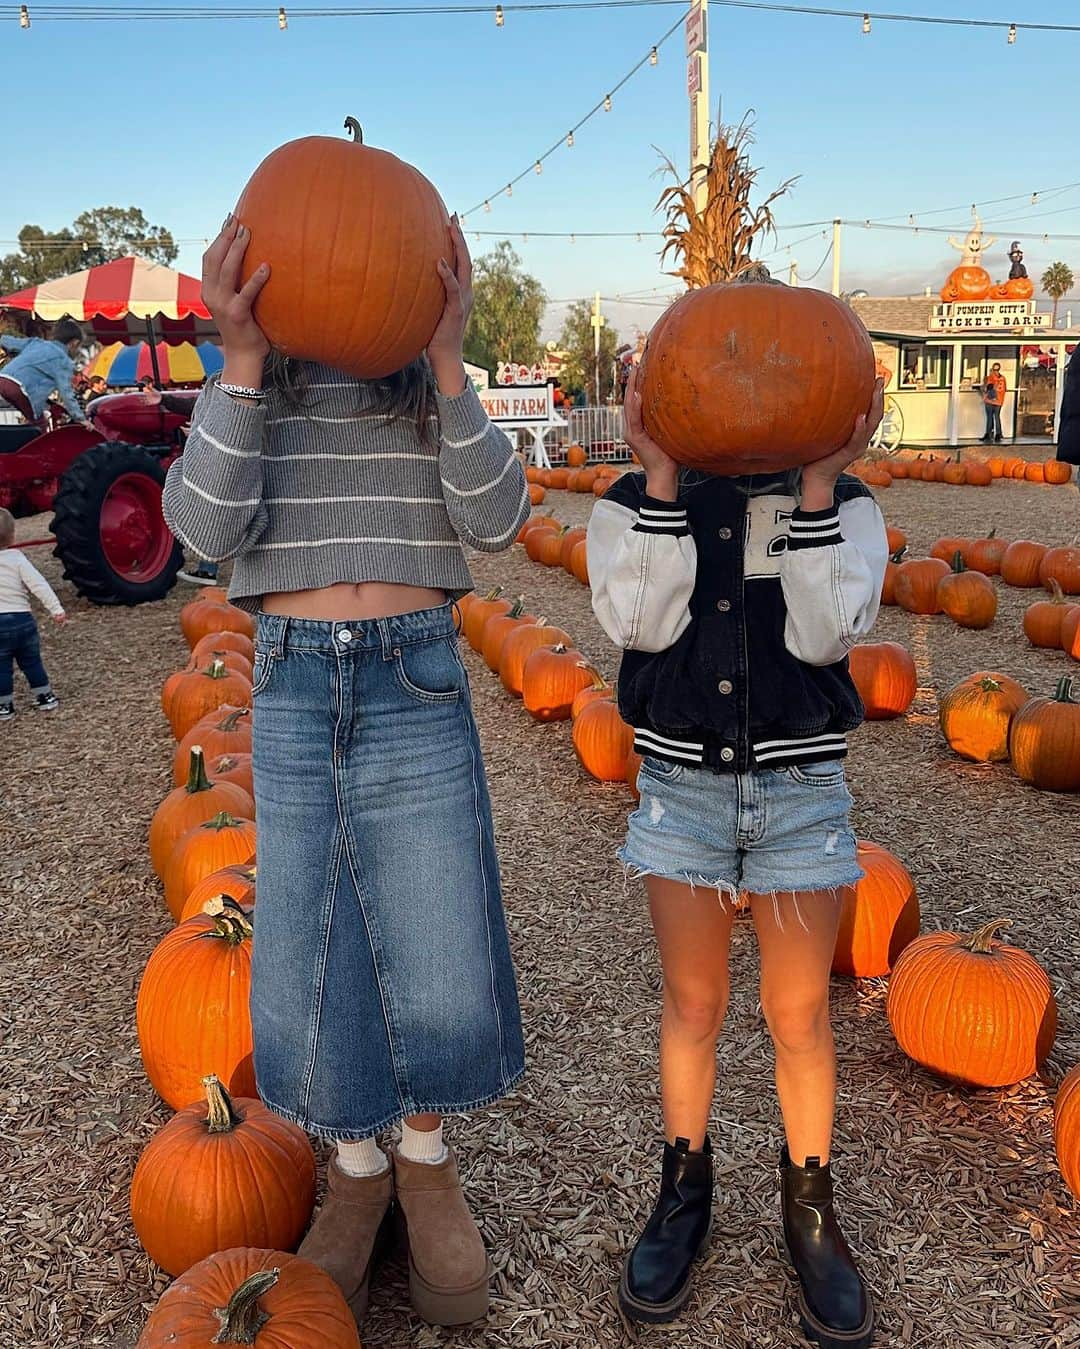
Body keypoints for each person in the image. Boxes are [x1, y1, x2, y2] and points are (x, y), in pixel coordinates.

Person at [161, 213, 529, 1329]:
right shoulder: (255, 392)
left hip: (414, 672)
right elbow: (199, 529)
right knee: (316, 929)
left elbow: (499, 518)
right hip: (291, 679)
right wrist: (238, 358)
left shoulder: (425, 386)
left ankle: (426, 1156)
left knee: (429, 919)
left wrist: (455, 357)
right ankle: (358, 1167)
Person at [587, 356, 887, 1348]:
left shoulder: (847, 507)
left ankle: (810, 1209)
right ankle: (685, 1188)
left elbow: (826, 634)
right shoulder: (633, 502)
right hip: (683, 789)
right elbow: (636, 621)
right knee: (694, 1003)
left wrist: (814, 486)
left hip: (801, 790)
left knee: (798, 1011)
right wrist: (661, 478)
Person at [0, 508, 66, 719]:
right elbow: (38, 585)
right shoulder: (17, 558)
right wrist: (56, 609)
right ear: (12, 535)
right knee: (31, 662)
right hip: (23, 620)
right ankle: (45, 697)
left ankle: (5, 707)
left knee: (2, 668)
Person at [0, 319, 91, 432]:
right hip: (18, 387)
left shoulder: (36, 343)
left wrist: (10, 352)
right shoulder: (63, 360)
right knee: (40, 422)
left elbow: (5, 340)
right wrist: (81, 419)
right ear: (74, 343)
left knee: (32, 418)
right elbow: (66, 392)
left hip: (3, 378)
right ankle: (34, 448)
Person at [981, 362, 1006, 442]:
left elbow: (987, 387)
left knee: (990, 417)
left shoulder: (991, 377)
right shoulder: (1003, 378)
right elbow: (1005, 389)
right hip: (999, 401)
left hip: (990, 400)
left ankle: (989, 434)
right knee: (997, 417)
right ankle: (998, 434)